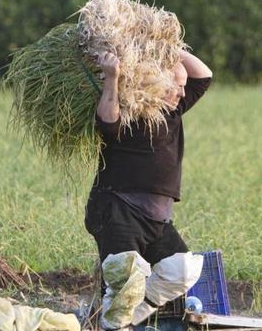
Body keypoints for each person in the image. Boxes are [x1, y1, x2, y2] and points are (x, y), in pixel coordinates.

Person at [84, 48, 212, 325]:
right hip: (118, 210)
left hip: (156, 218)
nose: (181, 91)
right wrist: (112, 76)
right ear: (156, 85)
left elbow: (203, 75)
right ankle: (115, 320)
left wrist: (167, 46)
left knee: (182, 270)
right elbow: (107, 121)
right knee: (124, 281)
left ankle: (122, 316)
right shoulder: (131, 111)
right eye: (176, 85)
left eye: (182, 86)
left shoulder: (174, 109)